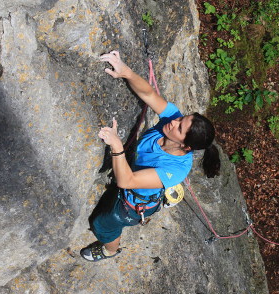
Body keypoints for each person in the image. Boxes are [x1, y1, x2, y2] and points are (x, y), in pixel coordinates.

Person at [81, 51, 220, 262]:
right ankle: (162, 190)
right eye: (182, 118)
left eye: (180, 127)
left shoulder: (176, 168)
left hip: (132, 204)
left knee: (103, 224)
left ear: (186, 146)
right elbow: (149, 94)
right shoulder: (171, 120)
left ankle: (111, 250)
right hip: (137, 175)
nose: (174, 121)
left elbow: (127, 181)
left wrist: (116, 145)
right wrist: (125, 71)